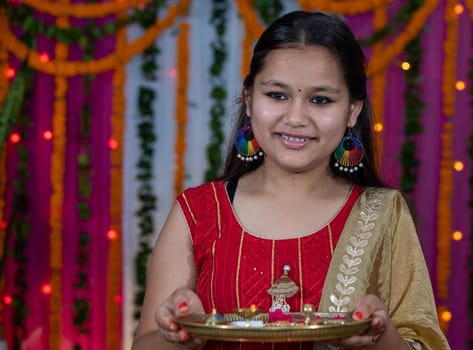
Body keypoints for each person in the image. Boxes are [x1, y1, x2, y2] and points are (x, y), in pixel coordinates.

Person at [131, 10, 450, 350]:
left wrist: (378, 335)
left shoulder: (382, 214)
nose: (296, 117)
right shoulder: (198, 213)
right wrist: (181, 332)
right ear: (250, 100)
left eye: (320, 100)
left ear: (352, 111)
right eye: (277, 95)